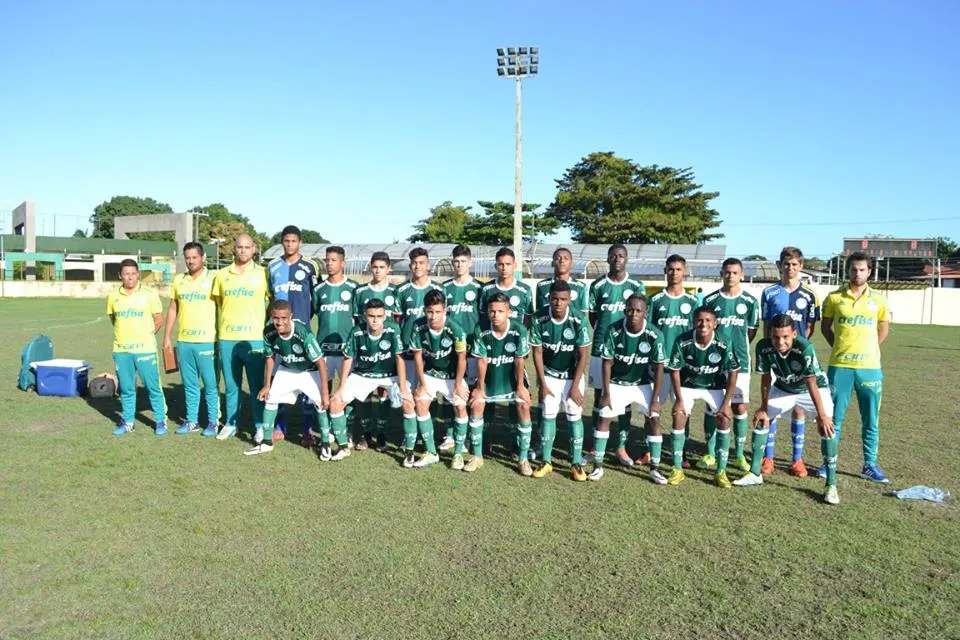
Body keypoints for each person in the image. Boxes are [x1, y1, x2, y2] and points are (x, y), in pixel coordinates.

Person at [735, 314, 836, 502]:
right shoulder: (763, 347)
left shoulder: (804, 347)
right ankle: (755, 473)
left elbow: (811, 382)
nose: (780, 342)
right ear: (770, 335)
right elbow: (765, 378)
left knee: (827, 428)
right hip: (782, 388)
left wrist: (822, 415)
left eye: (785, 337)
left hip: (811, 389)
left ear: (794, 334)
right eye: (775, 337)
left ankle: (831, 485)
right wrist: (764, 406)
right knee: (762, 420)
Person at [821, 251, 890, 484]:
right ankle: (828, 461)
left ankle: (869, 465)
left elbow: (883, 330)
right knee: (833, 419)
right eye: (853, 269)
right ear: (847, 271)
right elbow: (825, 328)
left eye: (862, 269)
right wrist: (840, 348)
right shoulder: (833, 298)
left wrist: (869, 349)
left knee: (870, 420)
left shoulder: (879, 300)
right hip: (840, 367)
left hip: (869, 368)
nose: (857, 273)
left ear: (869, 272)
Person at [593, 295, 667, 483]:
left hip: (643, 383)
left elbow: (659, 368)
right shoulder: (614, 330)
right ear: (625, 310)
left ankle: (655, 468)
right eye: (630, 310)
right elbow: (607, 363)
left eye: (638, 310)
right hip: (617, 382)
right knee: (604, 416)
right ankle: (598, 466)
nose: (633, 314)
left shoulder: (655, 334)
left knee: (654, 419)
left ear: (646, 313)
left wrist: (655, 399)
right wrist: (606, 393)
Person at [760, 246, 821, 477]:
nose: (790, 268)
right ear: (780, 265)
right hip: (774, 357)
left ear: (801, 266)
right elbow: (767, 325)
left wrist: (797, 349)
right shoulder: (770, 293)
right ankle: (769, 457)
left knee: (798, 407)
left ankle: (797, 460)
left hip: (797, 358)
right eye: (786, 264)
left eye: (795, 264)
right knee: (772, 406)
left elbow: (808, 327)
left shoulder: (810, 295)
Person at [327, 299, 411, 463]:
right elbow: (348, 358)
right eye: (371, 316)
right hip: (362, 375)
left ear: (385, 315)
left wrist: (402, 386)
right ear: (365, 316)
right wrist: (341, 387)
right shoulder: (356, 331)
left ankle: (408, 450)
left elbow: (399, 358)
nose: (375, 320)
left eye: (379, 316)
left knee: (408, 402)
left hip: (389, 375)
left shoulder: (393, 329)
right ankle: (344, 446)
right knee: (336, 402)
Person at [666, 307, 740, 488]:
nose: (703, 324)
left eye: (708, 320)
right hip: (687, 385)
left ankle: (721, 472)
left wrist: (726, 403)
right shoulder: (682, 341)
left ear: (715, 324)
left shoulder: (724, 342)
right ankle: (677, 469)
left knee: (724, 417)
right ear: (693, 322)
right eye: (699, 320)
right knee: (679, 415)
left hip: (714, 385)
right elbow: (674, 371)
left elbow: (733, 372)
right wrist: (679, 399)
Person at [586, 244, 645, 467]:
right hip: (601, 348)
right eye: (613, 256)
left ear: (626, 259)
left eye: (621, 256)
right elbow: (594, 317)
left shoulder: (636, 285)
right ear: (608, 259)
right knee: (600, 395)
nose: (617, 259)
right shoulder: (598, 285)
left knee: (626, 396)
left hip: (629, 350)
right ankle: (595, 444)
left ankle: (621, 446)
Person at [247, 300, 330, 456]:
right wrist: (267, 384)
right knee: (270, 399)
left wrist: (325, 393)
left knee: (320, 404)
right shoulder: (268, 332)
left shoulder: (303, 332)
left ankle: (325, 443)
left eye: (284, 318)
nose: (279, 322)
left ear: (290, 316)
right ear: (271, 317)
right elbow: (270, 357)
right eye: (276, 318)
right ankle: (266, 442)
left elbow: (320, 363)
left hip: (309, 371)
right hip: (287, 369)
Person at [700, 258, 759, 474]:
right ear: (721, 274)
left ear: (741, 275)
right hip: (714, 362)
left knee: (739, 406)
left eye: (735, 272)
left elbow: (750, 332)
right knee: (712, 406)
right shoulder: (710, 300)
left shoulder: (751, 302)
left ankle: (740, 454)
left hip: (741, 361)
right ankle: (710, 453)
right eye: (727, 272)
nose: (730, 276)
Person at [529, 280, 592, 480]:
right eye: (554, 298)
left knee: (574, 412)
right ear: (549, 299)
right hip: (549, 374)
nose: (558, 303)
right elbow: (537, 352)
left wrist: (575, 386)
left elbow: (583, 355)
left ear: (569, 300)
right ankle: (546, 461)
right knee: (548, 413)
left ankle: (575, 463)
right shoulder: (539, 319)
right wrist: (542, 383)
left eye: (563, 299)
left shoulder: (578, 319)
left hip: (572, 375)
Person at [211, 234, 270, 440]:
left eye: (247, 247)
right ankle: (230, 423)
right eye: (239, 247)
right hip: (228, 338)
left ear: (254, 249)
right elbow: (219, 304)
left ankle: (260, 425)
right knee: (231, 385)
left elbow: (271, 303)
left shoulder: (263, 274)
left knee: (256, 386)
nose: (243, 250)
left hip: (254, 338)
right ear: (233, 249)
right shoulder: (221, 275)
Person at [467, 293, 533, 474]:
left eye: (500, 311)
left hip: (511, 377)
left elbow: (520, 360)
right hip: (489, 377)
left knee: (523, 406)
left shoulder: (519, 329)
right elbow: (482, 361)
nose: (495, 315)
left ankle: (523, 458)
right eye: (492, 311)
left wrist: (520, 387)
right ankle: (477, 456)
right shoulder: (481, 328)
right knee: (477, 405)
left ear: (509, 312)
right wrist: (480, 388)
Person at [266, 225, 321, 444]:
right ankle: (280, 425)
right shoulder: (272, 266)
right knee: (278, 378)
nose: (290, 244)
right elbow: (272, 298)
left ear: (300, 242)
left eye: (293, 241)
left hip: (302, 331)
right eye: (286, 241)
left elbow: (315, 299)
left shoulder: (310, 266)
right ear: (282, 242)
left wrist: (305, 321)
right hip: (279, 333)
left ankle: (308, 428)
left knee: (307, 380)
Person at [646, 254, 697, 468]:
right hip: (658, 365)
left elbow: (697, 332)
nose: (674, 273)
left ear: (684, 271)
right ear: (665, 271)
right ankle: (649, 451)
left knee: (681, 410)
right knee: (652, 409)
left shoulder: (692, 302)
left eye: (678, 269)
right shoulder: (656, 300)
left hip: (682, 368)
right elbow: (648, 331)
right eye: (671, 269)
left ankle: (681, 453)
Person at [409, 290, 470, 469]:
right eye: (429, 311)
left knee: (460, 406)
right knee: (420, 402)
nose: (433, 316)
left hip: (452, 375)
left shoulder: (455, 328)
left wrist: (458, 384)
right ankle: (431, 452)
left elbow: (462, 358)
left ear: (445, 310)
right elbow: (418, 356)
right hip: (430, 373)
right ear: (424, 310)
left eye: (437, 312)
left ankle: (458, 453)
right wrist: (422, 383)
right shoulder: (418, 327)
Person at [163, 242, 219, 436]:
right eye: (187, 257)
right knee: (190, 385)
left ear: (203, 258)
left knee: (210, 385)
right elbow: (172, 308)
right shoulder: (179, 280)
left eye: (195, 257)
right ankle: (192, 420)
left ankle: (213, 422)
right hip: (184, 341)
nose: (191, 261)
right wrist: (167, 337)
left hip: (207, 341)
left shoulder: (213, 278)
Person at [107, 259, 167, 435]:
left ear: (138, 274)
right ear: (120, 275)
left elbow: (158, 319)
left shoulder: (149, 294)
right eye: (126, 274)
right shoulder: (113, 296)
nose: (130, 277)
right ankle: (128, 422)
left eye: (133, 273)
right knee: (126, 388)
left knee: (153, 386)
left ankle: (161, 421)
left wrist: (146, 336)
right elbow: (114, 319)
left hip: (145, 349)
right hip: (122, 350)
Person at [312, 245, 359, 450]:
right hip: (323, 350)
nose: (329, 264)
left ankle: (346, 428)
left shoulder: (354, 289)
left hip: (346, 352)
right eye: (327, 260)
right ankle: (327, 429)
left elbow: (359, 319)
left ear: (343, 263)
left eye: (333, 260)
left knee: (347, 391)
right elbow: (312, 315)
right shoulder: (319, 289)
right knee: (324, 389)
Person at [353, 251, 401, 451]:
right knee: (363, 392)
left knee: (383, 391)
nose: (378, 271)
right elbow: (356, 320)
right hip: (365, 347)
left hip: (387, 349)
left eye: (382, 267)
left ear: (389, 268)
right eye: (375, 267)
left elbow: (398, 320)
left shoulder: (395, 291)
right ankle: (365, 435)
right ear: (370, 268)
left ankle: (381, 434)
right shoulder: (361, 291)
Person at [397, 247, 444, 456]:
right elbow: (397, 322)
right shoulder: (401, 291)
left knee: (426, 396)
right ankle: (409, 436)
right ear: (410, 266)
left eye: (422, 263)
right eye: (414, 263)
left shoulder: (437, 290)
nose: (418, 266)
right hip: (407, 352)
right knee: (407, 396)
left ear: (428, 265)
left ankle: (428, 435)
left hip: (430, 355)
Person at [441, 244, 482, 451]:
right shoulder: (445, 288)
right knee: (450, 392)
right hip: (449, 349)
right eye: (456, 261)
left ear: (470, 262)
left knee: (471, 393)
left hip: (472, 349)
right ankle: (450, 435)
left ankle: (468, 437)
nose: (459, 265)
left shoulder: (479, 288)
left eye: (463, 261)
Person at [478, 247, 534, 325]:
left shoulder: (525, 290)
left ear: (515, 266)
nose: (504, 268)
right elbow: (482, 315)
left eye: (508, 264)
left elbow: (528, 318)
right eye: (501, 264)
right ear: (495, 266)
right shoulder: (486, 289)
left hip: (516, 336)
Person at [535, 247, 588, 316]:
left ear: (572, 264)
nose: (562, 261)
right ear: (552, 263)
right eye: (558, 258)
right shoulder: (542, 286)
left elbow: (583, 315)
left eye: (566, 258)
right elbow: (539, 313)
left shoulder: (581, 287)